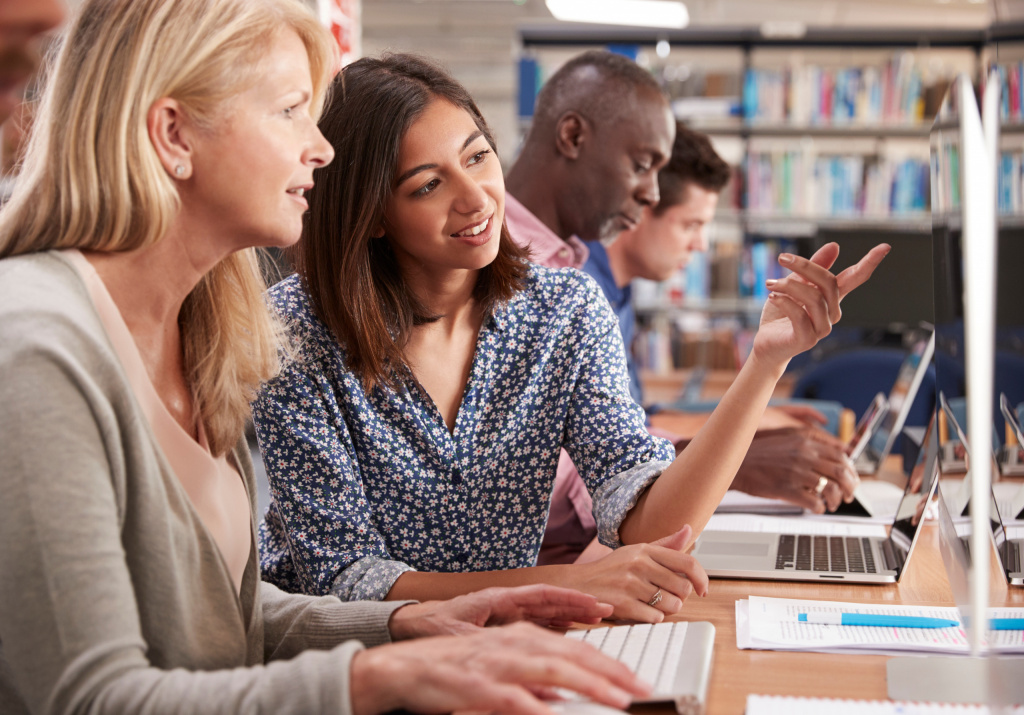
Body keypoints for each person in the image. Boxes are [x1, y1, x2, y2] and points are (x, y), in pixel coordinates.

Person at [0, 3, 651, 713]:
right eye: (289, 111)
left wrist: (407, 624)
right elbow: (89, 697)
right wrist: (377, 676)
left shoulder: (208, 332)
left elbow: (227, 627)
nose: (323, 149)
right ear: (173, 134)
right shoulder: (38, 346)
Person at [252, 52, 888, 622]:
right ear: (372, 215)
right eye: (428, 184)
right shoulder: (294, 333)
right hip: (351, 671)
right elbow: (344, 580)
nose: (477, 199)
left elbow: (646, 516)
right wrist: (572, 584)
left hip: (509, 654)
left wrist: (765, 363)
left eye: (478, 157)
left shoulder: (564, 309)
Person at [501, 53, 862, 566]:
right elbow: (552, 482)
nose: (649, 194)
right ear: (574, 137)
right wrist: (723, 460)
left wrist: (736, 422)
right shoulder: (509, 268)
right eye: (643, 166)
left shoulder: (569, 272)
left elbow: (607, 454)